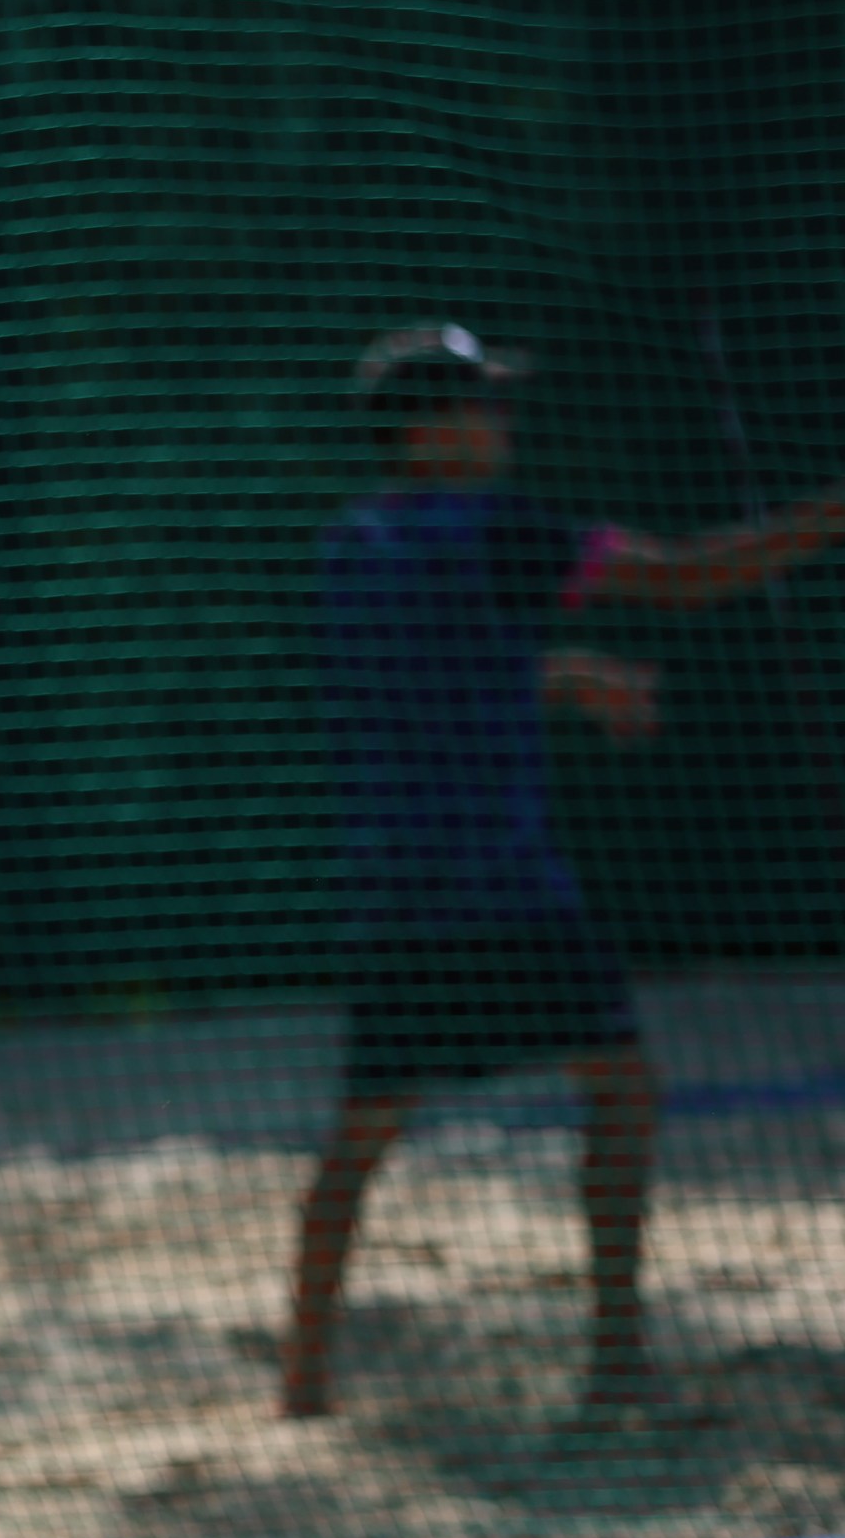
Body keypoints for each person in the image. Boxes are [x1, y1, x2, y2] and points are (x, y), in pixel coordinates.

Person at [283, 323, 845, 1424]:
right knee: (623, 1088)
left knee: (363, 1133)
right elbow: (683, 578)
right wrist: (829, 518)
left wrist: (569, 674)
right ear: (430, 429)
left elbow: (436, 677)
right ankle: (618, 1359)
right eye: (483, 403)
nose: (502, 422)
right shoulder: (502, 529)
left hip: (394, 892)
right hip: (502, 886)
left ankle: (302, 1382)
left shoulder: (353, 544)